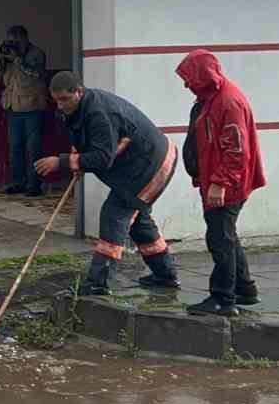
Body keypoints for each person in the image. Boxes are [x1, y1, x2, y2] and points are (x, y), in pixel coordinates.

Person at [35, 72, 180, 296]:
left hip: (150, 165)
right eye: (56, 100)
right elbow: (88, 141)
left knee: (114, 215)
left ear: (79, 92)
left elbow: (103, 158)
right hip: (144, 163)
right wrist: (78, 161)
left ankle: (98, 282)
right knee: (139, 221)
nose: (61, 105)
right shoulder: (81, 109)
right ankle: (165, 275)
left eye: (65, 99)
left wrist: (63, 162)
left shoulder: (99, 113)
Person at [177, 50, 266, 317]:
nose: (186, 84)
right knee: (227, 234)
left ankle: (223, 299)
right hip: (219, 179)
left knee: (219, 238)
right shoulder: (211, 98)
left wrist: (220, 183)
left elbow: (236, 150)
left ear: (203, 76)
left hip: (227, 183)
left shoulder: (227, 102)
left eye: (188, 78)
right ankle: (245, 289)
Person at [0, 25, 49, 196]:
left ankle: (35, 185)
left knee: (33, 148)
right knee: (15, 148)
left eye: (15, 41)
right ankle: (18, 182)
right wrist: (2, 62)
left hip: (33, 107)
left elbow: (37, 74)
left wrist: (19, 59)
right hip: (13, 106)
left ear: (24, 38)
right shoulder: (8, 56)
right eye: (9, 41)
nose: (12, 44)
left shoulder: (36, 54)